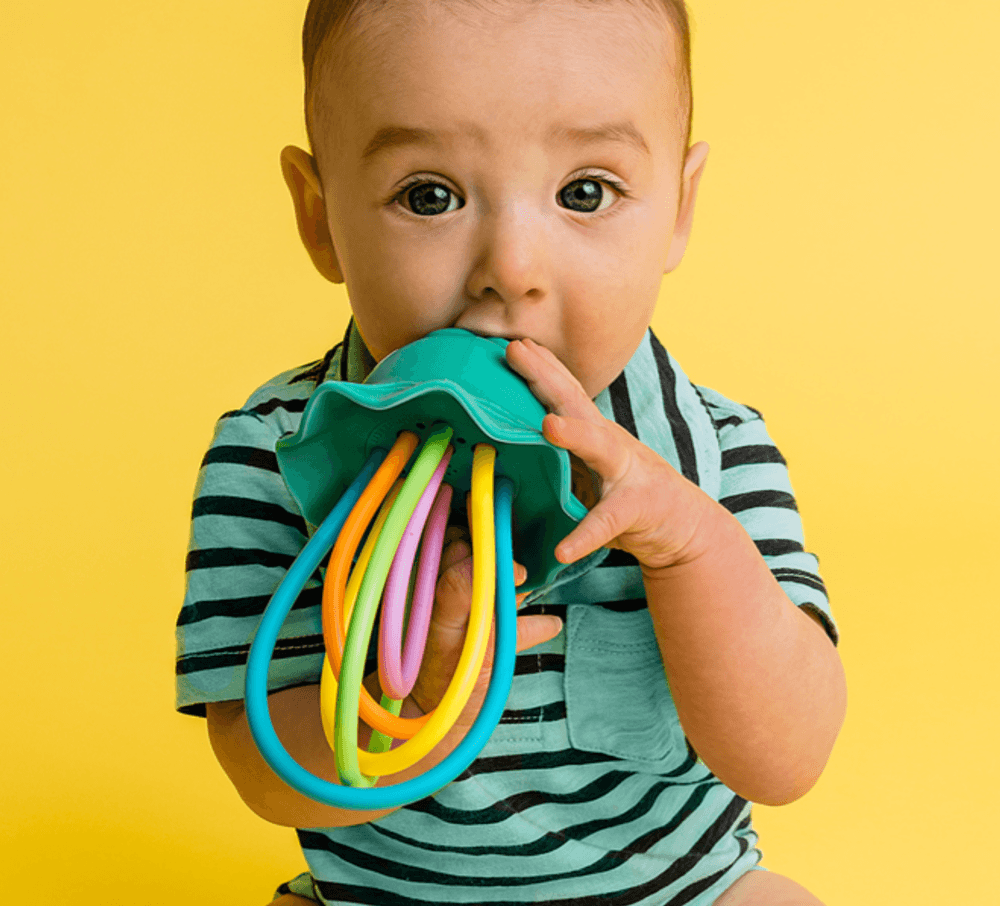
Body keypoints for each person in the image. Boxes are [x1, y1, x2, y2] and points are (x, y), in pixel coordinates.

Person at [175, 1, 847, 903]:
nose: (512, 267)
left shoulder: (717, 451)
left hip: (674, 893)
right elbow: (262, 775)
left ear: (679, 211)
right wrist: (401, 706)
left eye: (584, 192)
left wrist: (690, 547)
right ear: (320, 216)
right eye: (429, 195)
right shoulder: (274, 455)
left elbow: (788, 758)